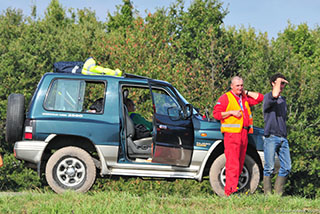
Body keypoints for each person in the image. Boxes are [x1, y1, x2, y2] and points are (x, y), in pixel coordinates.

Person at [213, 76, 263, 196]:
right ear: (231, 86)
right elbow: (216, 114)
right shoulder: (226, 98)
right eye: (237, 86)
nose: (240, 88)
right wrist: (230, 112)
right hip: (232, 135)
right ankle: (229, 191)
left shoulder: (244, 98)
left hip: (244, 134)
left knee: (240, 163)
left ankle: (234, 188)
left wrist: (246, 92)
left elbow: (260, 98)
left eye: (241, 85)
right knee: (232, 163)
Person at [263, 73, 291, 196]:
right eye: (280, 83)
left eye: (284, 83)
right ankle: (268, 196)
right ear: (273, 83)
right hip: (271, 136)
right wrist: (279, 81)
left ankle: (278, 194)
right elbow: (275, 94)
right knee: (269, 167)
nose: (282, 86)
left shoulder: (283, 100)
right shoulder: (268, 97)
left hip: (282, 137)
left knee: (287, 167)